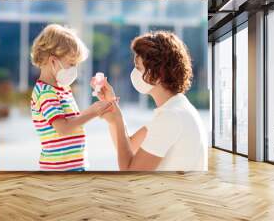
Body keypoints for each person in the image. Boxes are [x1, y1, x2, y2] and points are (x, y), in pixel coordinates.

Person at [92, 31, 208, 171]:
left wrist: (117, 118)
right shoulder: (176, 107)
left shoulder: (171, 117)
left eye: (138, 67)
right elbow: (128, 146)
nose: (134, 73)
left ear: (157, 75)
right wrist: (112, 107)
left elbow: (129, 173)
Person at [30, 24, 113, 171]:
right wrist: (92, 112)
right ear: (53, 61)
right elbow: (63, 128)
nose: (75, 70)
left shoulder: (63, 89)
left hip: (75, 166)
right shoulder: (45, 93)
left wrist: (97, 107)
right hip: (59, 170)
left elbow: (72, 121)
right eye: (71, 64)